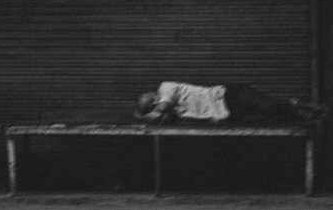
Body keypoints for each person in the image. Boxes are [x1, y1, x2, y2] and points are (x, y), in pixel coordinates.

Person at [134, 81, 325, 125]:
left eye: (151, 99)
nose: (154, 101)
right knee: (267, 118)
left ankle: (298, 105)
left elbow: (162, 108)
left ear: (153, 94)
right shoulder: (170, 114)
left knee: (270, 106)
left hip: (229, 96)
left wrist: (143, 115)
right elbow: (163, 116)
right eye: (150, 103)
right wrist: (147, 116)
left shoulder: (165, 88)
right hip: (227, 115)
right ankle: (303, 115)